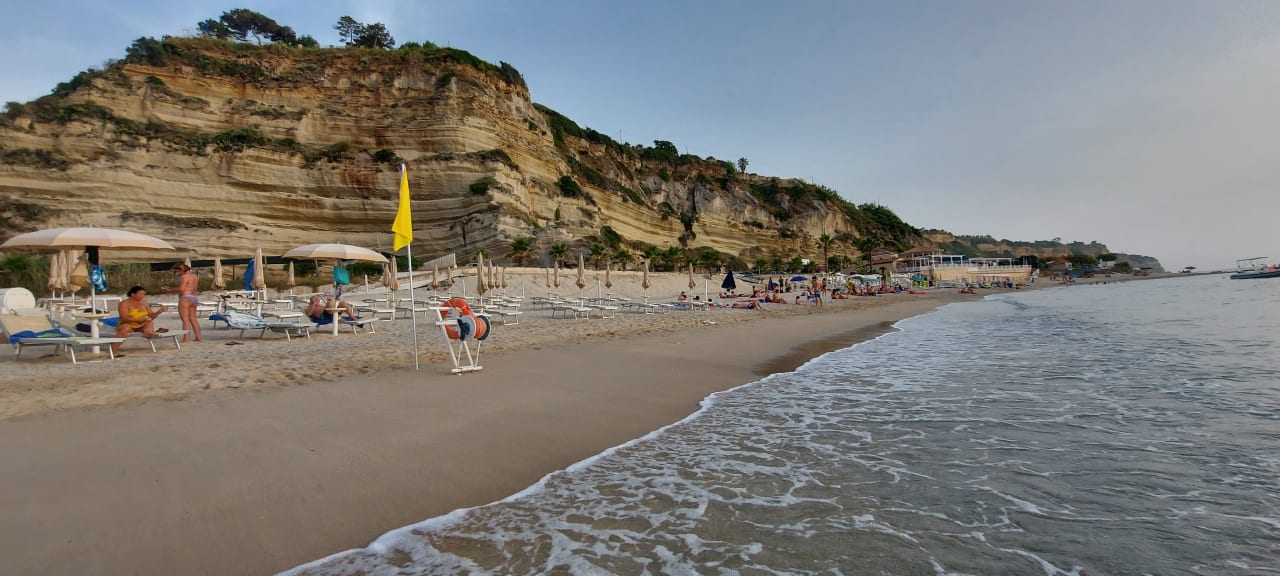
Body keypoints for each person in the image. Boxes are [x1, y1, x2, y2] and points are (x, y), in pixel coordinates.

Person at [113, 286, 165, 355]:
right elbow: (124, 318)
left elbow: (151, 316)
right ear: (133, 294)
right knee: (125, 329)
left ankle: (148, 333)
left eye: (143, 294)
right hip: (128, 323)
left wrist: (159, 312)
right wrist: (139, 320)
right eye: (140, 294)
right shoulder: (124, 303)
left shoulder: (144, 303)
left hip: (141, 324)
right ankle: (113, 350)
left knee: (149, 322)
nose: (142, 296)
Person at [162, 263, 202, 343]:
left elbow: (182, 289)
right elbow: (193, 288)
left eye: (177, 271)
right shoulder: (194, 276)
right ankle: (198, 337)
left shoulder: (184, 277)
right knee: (193, 319)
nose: (177, 273)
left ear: (181, 270)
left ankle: (186, 339)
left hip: (185, 298)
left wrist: (170, 290)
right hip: (194, 298)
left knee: (185, 320)